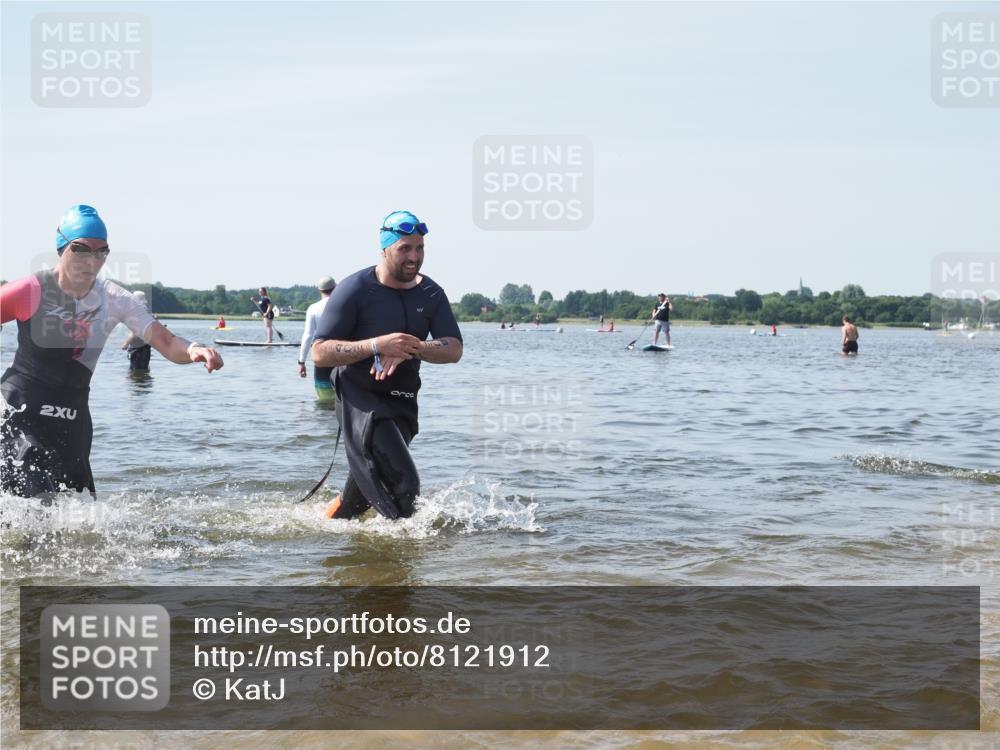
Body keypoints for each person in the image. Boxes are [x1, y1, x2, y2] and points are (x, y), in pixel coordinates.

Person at [0, 205, 223, 499]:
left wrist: (194, 349)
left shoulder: (114, 298)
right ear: (61, 247)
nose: (91, 260)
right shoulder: (31, 289)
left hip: (73, 416)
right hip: (21, 409)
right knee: (36, 502)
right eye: (81, 249)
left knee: (76, 515)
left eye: (101, 251)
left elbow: (166, 341)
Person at [312, 210, 463, 520]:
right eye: (404, 248)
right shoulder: (354, 289)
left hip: (403, 398)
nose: (414, 257)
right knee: (406, 485)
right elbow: (319, 352)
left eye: (419, 248)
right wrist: (376, 345)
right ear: (384, 249)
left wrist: (414, 347)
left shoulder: (431, 293)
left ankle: (324, 527)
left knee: (363, 496)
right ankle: (399, 560)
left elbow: (454, 348)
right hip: (359, 396)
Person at [298, 275, 337, 402]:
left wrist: (302, 362)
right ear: (335, 287)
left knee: (324, 399)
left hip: (321, 355)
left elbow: (308, 336)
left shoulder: (313, 308)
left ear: (319, 290)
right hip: (342, 353)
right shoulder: (343, 305)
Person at [121, 290, 153, 372]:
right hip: (145, 345)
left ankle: (136, 382)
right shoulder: (146, 311)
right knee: (144, 368)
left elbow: (134, 332)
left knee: (135, 371)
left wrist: (126, 343)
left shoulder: (136, 311)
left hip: (137, 348)